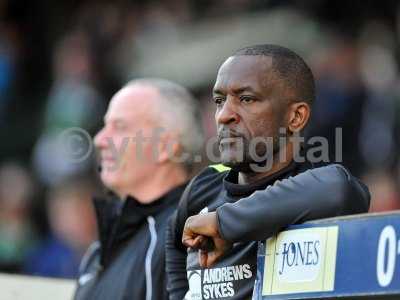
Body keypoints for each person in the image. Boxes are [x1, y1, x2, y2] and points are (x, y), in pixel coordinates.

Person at [165, 44, 370, 300]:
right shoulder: (202, 188)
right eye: (219, 101)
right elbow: (173, 249)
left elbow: (339, 189)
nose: (223, 115)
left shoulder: (317, 186)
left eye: (246, 99)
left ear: (296, 117)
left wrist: (224, 224)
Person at [74, 78, 203, 300]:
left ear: (165, 147)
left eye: (120, 126)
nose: (99, 139)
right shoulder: (98, 252)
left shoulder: (191, 236)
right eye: (105, 125)